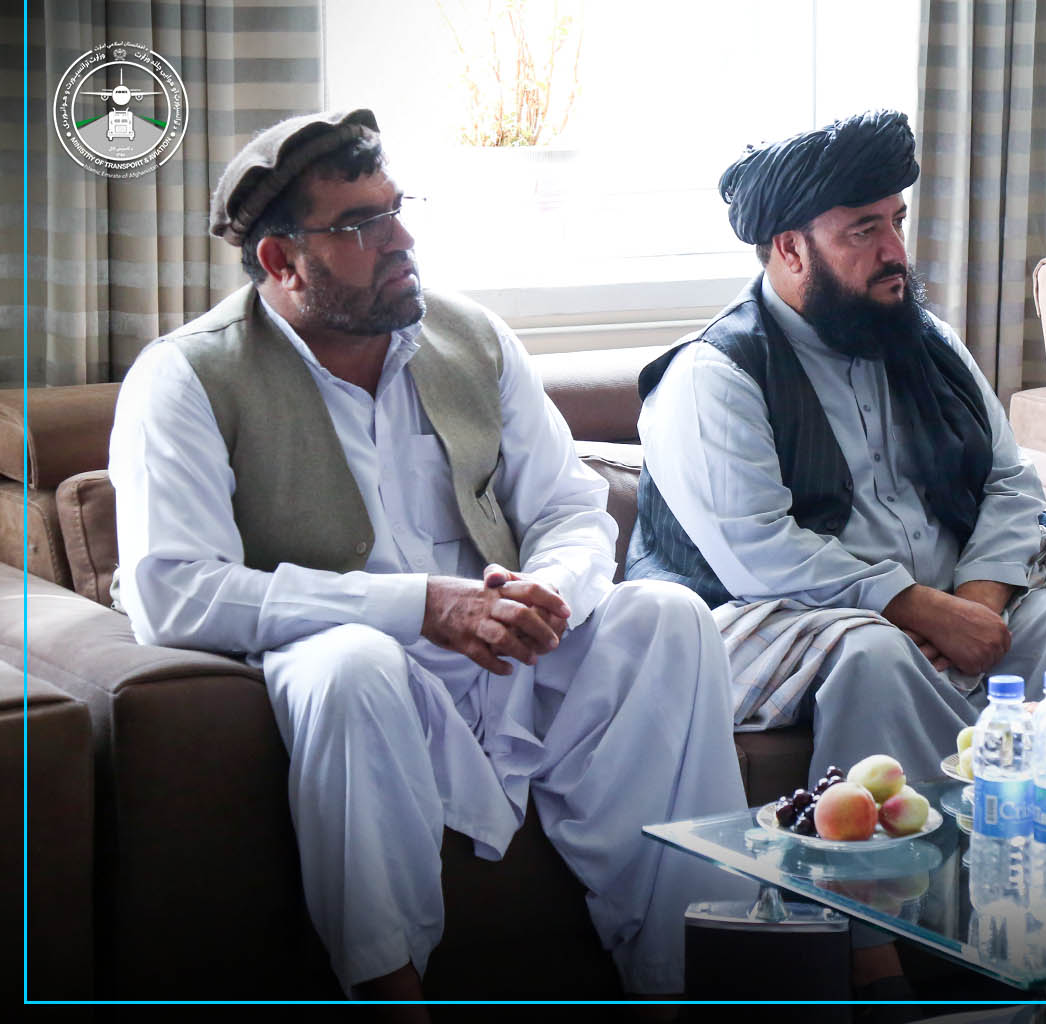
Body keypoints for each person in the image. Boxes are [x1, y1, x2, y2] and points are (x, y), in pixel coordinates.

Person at [109, 109, 748, 1007]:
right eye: (359, 226)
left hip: (508, 653)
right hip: (358, 664)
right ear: (281, 260)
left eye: (397, 209)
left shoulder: (472, 337)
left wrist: (548, 588)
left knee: (668, 619)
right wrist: (418, 607)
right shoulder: (186, 377)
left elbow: (570, 508)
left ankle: (692, 986)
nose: (400, 240)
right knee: (351, 667)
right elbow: (172, 592)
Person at [629, 110, 1046, 791]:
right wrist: (917, 608)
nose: (895, 251)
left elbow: (1009, 482)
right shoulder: (714, 374)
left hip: (951, 598)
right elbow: (758, 551)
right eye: (863, 231)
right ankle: (904, 855)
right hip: (775, 617)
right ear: (790, 249)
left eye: (896, 221)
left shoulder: (931, 342)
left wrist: (978, 602)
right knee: (876, 655)